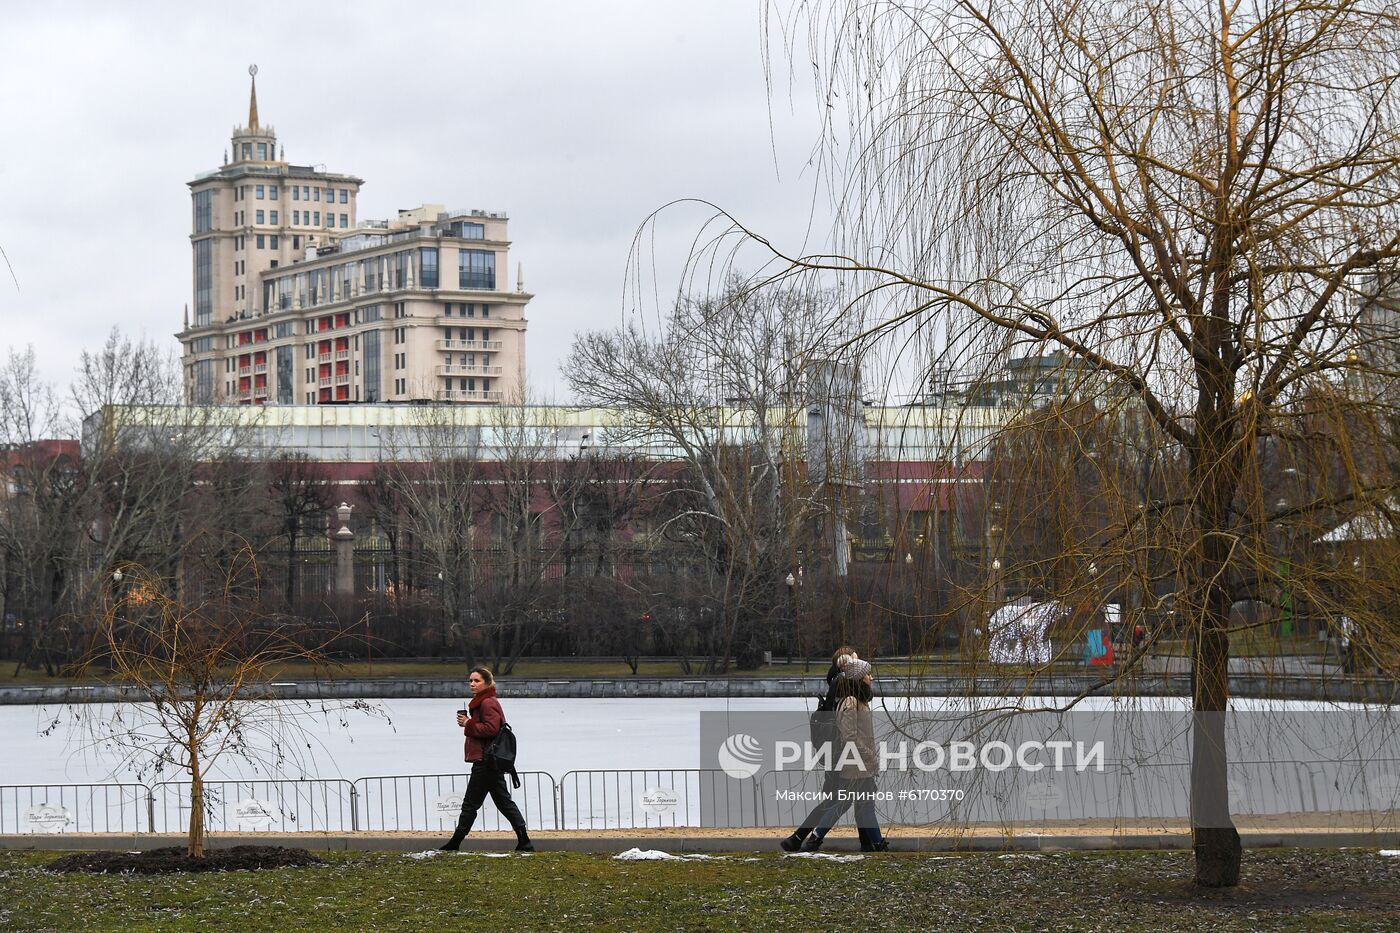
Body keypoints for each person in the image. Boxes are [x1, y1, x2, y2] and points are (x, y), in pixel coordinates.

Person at [440, 666, 534, 852]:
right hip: (490, 762)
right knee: (504, 803)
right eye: (470, 681)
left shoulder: (487, 703)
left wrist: (468, 723)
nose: (472, 684)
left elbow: (491, 729)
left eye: (477, 681)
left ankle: (455, 843)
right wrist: (470, 723)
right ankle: (524, 841)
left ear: (488, 683)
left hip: (486, 761)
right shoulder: (484, 702)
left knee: (470, 804)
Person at [805, 658, 888, 852]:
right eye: (868, 674)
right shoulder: (851, 701)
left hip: (859, 763)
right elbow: (849, 736)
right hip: (856, 764)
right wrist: (870, 756)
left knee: (845, 804)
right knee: (863, 805)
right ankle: (878, 844)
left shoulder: (858, 699)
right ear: (859, 677)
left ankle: (815, 838)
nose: (871, 677)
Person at [779, 646, 857, 852]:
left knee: (837, 800)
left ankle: (797, 837)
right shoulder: (842, 683)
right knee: (843, 800)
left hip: (833, 752)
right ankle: (810, 838)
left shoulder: (834, 682)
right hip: (842, 753)